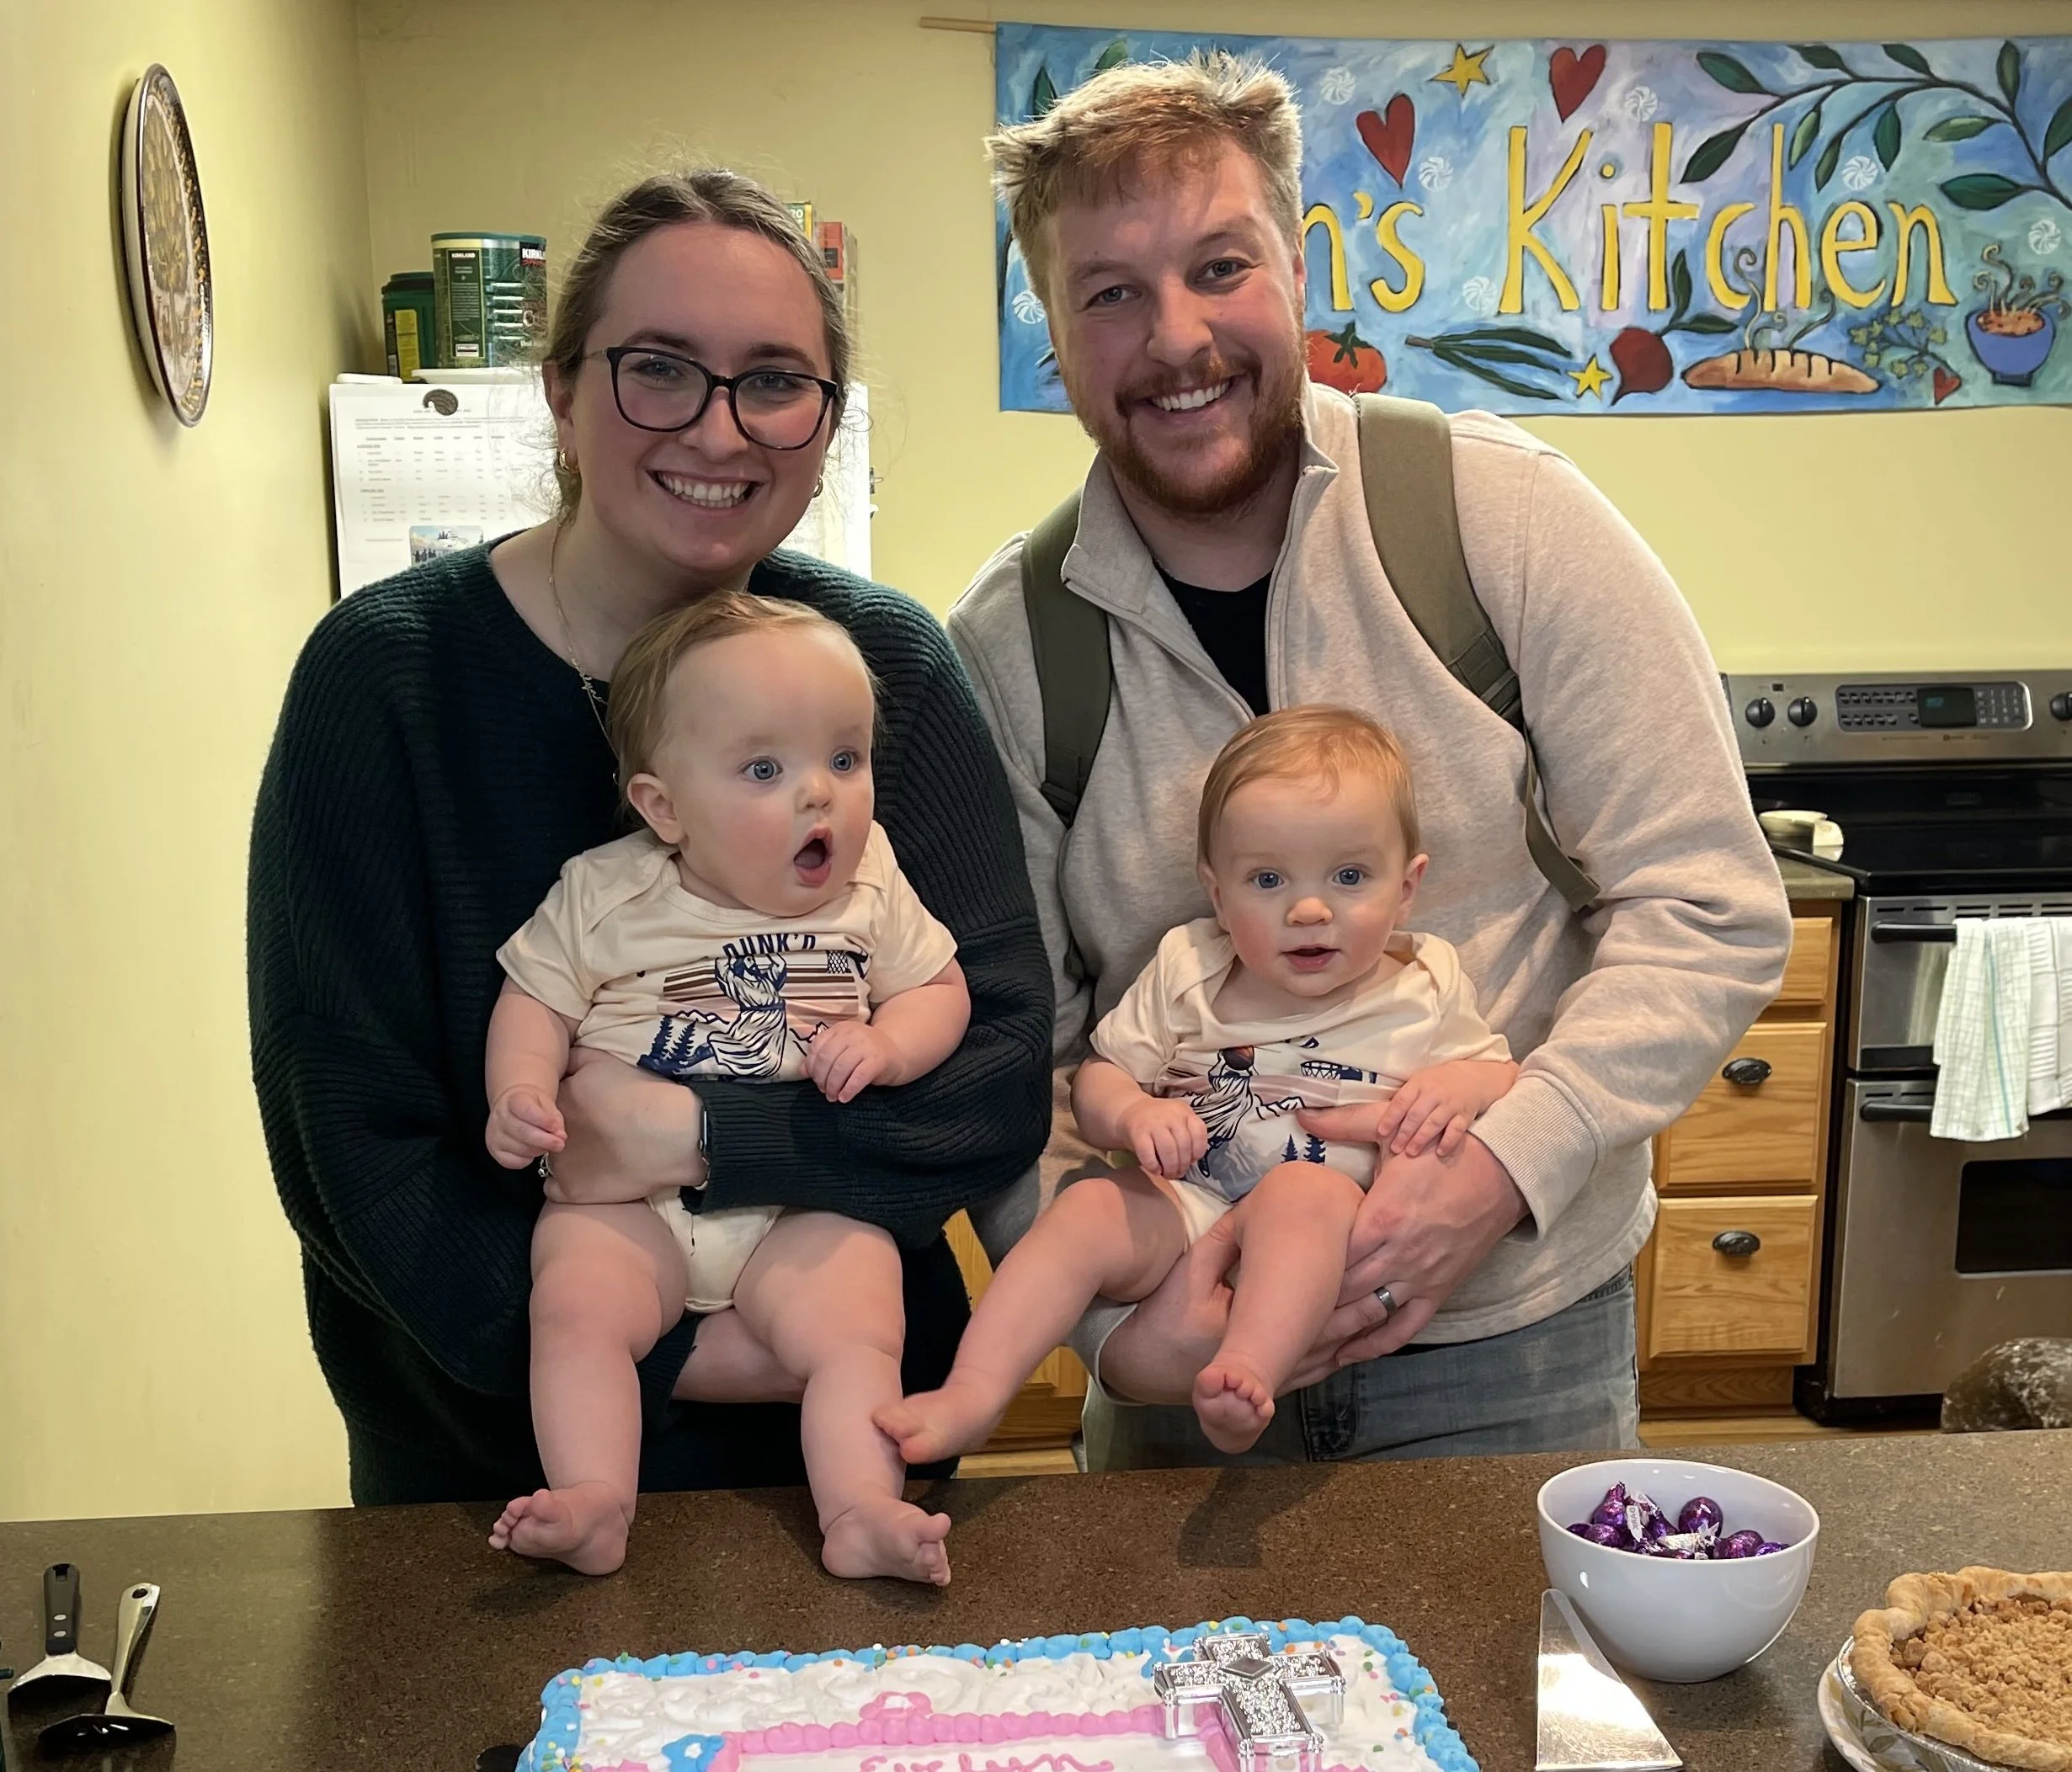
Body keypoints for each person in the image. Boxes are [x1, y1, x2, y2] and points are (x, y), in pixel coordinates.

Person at [951, 56, 1793, 1464]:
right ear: (1052, 326)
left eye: (1221, 265)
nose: (1176, 337)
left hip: (1512, 1352)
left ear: (1298, 263)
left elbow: (1704, 903)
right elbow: (1005, 1048)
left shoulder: (1503, 519)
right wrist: (1118, 1332)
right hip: (1184, 1360)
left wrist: (1506, 1165)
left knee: (1504, 1694)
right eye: (1109, 292)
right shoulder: (1006, 647)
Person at [250, 170, 1051, 1509]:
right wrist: (676, 1353)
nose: (719, 429)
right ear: (561, 390)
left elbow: (992, 1078)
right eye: (659, 370)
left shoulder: (885, 673)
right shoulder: (384, 680)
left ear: (825, 422)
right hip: (492, 1480)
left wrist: (698, 1137)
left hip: (851, 1461)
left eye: (775, 381)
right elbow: (350, 1149)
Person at [882, 705, 1514, 1464]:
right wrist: (1130, 1115)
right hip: (1190, 1203)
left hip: (1334, 1231)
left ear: (1407, 886)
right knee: (1087, 1207)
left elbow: (1501, 1071)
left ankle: (1245, 1370)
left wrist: (1461, 1084)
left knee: (1301, 1195)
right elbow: (1100, 1075)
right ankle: (974, 1392)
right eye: (1267, 879)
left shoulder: (1424, 982)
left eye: (1349, 877)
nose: (1309, 909)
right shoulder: (1189, 966)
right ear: (1216, 893)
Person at [487, 593, 967, 1582]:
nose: (819, 796)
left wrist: (888, 1046)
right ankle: (594, 1499)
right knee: (577, 1312)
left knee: (859, 1333)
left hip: (800, 1209)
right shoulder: (605, 890)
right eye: (764, 770)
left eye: (844, 759)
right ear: (664, 807)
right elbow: (533, 999)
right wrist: (523, 1092)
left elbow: (941, 989)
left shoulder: (873, 881)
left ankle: (863, 1512)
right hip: (627, 1204)